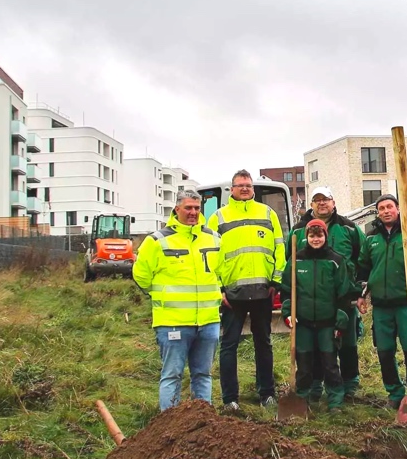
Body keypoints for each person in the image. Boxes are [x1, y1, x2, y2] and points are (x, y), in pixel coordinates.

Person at [133, 190, 222, 410]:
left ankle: (204, 423)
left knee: (203, 374)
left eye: (196, 208)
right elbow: (141, 276)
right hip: (173, 322)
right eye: (188, 208)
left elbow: (221, 272)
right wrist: (162, 296)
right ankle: (168, 426)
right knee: (172, 375)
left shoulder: (213, 238)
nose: (193, 212)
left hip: (208, 321)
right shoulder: (157, 241)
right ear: (177, 209)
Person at [207, 169, 286, 410]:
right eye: (240, 185)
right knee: (229, 345)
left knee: (264, 343)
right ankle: (230, 399)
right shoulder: (218, 217)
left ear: (253, 189)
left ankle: (267, 394)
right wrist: (218, 288)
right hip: (232, 295)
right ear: (231, 189)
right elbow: (209, 256)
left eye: (248, 186)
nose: (245, 189)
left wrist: (276, 281)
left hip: (263, 292)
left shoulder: (267, 213)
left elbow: (279, 248)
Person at [357, 194, 407, 408]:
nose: (385, 211)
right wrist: (360, 294)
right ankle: (394, 393)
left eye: (389, 207)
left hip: (406, 303)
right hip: (381, 306)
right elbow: (363, 268)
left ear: (398, 209)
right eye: (381, 208)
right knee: (384, 350)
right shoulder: (371, 237)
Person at [287, 186, 366, 400]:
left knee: (347, 344)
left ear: (333, 202)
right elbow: (290, 265)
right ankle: (313, 387)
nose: (322, 203)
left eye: (326, 199)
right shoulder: (297, 231)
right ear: (311, 204)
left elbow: (363, 258)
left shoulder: (349, 229)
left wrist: (359, 290)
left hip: (343, 299)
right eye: (317, 200)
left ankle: (349, 385)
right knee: (314, 348)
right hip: (310, 303)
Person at [281, 219, 357, 410]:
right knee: (304, 364)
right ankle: (302, 399)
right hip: (304, 322)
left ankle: (335, 401)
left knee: (330, 363)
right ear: (306, 237)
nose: (316, 239)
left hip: (328, 322)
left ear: (326, 236)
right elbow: (287, 290)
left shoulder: (336, 260)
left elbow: (344, 292)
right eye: (312, 236)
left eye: (320, 235)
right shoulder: (296, 260)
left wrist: (340, 319)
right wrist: (287, 311)